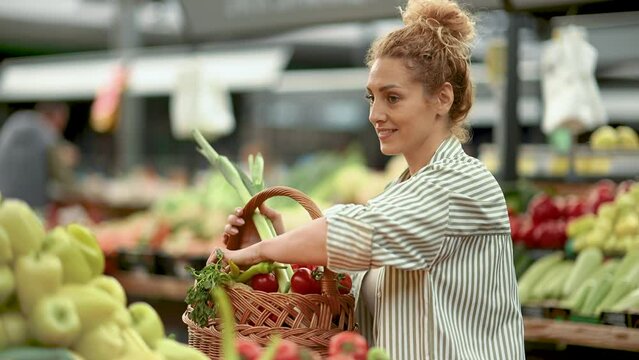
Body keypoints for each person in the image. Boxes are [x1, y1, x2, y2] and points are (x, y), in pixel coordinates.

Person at [212, 0, 525, 358]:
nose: (376, 114)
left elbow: (359, 233)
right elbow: (346, 277)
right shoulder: (403, 188)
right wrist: (279, 241)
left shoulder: (461, 185)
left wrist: (256, 253)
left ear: (441, 98)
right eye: (372, 97)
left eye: (392, 97)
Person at [0, 102, 78, 211]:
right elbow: (63, 178)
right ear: (57, 116)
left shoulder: (16, 121)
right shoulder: (46, 132)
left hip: (4, 204)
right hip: (31, 208)